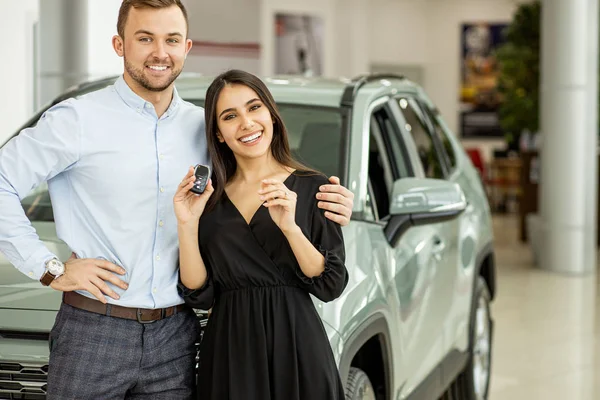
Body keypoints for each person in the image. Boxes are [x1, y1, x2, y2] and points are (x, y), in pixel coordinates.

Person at [0, 1, 354, 399]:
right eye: (144, 38)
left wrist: (331, 202)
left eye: (170, 39)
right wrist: (50, 269)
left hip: (179, 337)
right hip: (94, 332)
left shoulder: (205, 129)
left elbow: (260, 175)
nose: (159, 52)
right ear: (119, 44)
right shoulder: (78, 120)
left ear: (187, 47)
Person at [173, 69, 348, 400]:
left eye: (254, 108)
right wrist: (187, 223)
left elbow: (330, 283)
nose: (246, 123)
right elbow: (199, 292)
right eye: (230, 116)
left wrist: (290, 228)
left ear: (270, 113)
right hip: (229, 348)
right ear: (219, 134)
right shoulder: (208, 199)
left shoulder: (316, 187)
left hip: (297, 345)